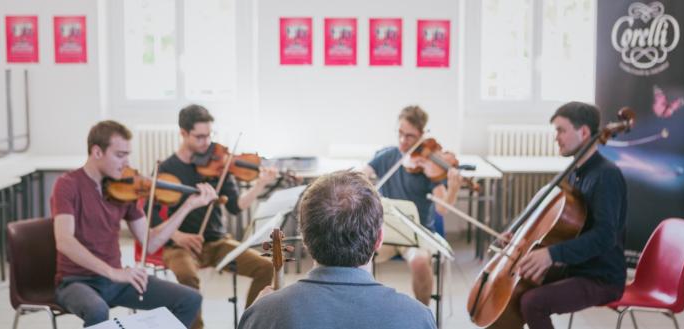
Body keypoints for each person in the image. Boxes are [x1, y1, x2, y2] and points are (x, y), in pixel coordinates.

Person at [52, 120, 218, 327]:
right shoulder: (67, 185)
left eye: (128, 155)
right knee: (97, 310)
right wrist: (113, 272)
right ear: (97, 152)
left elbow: (150, 243)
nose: (127, 163)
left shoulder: (125, 189)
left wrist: (188, 207)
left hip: (115, 281)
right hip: (75, 282)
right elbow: (64, 241)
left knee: (190, 299)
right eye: (120, 155)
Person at [238, 171, 436, 329]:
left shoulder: (263, 313)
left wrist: (257, 313)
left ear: (304, 238)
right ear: (379, 239)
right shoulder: (417, 317)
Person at [149, 104, 278, 329]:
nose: (206, 142)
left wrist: (260, 185)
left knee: (266, 267)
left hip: (218, 241)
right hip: (180, 246)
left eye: (209, 135)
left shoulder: (219, 164)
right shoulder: (167, 170)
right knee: (187, 275)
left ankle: (248, 325)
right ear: (183, 133)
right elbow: (149, 217)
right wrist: (178, 237)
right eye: (199, 137)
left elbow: (236, 206)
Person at [517, 101, 628, 329]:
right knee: (520, 280)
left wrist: (552, 254)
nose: (556, 137)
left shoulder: (606, 176)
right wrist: (521, 238)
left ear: (584, 132)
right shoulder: (574, 173)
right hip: (577, 266)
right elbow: (557, 226)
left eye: (561, 130)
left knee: (532, 303)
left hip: (601, 276)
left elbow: (605, 236)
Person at [362, 105, 463, 305]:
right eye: (400, 133)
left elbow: (442, 208)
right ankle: (365, 310)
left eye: (409, 136)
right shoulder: (387, 155)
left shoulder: (429, 166)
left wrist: (453, 188)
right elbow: (360, 176)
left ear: (421, 135)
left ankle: (422, 314)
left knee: (419, 262)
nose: (402, 141)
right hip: (386, 232)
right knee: (357, 257)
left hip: (417, 235)